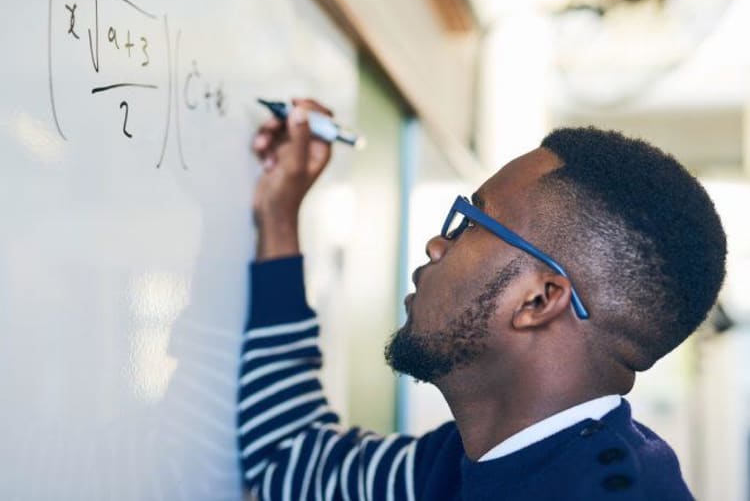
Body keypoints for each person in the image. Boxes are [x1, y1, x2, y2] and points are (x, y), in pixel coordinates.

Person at [238, 99, 726, 500]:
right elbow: (290, 457)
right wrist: (280, 213)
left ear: (538, 299)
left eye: (473, 222)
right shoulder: (473, 462)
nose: (437, 245)